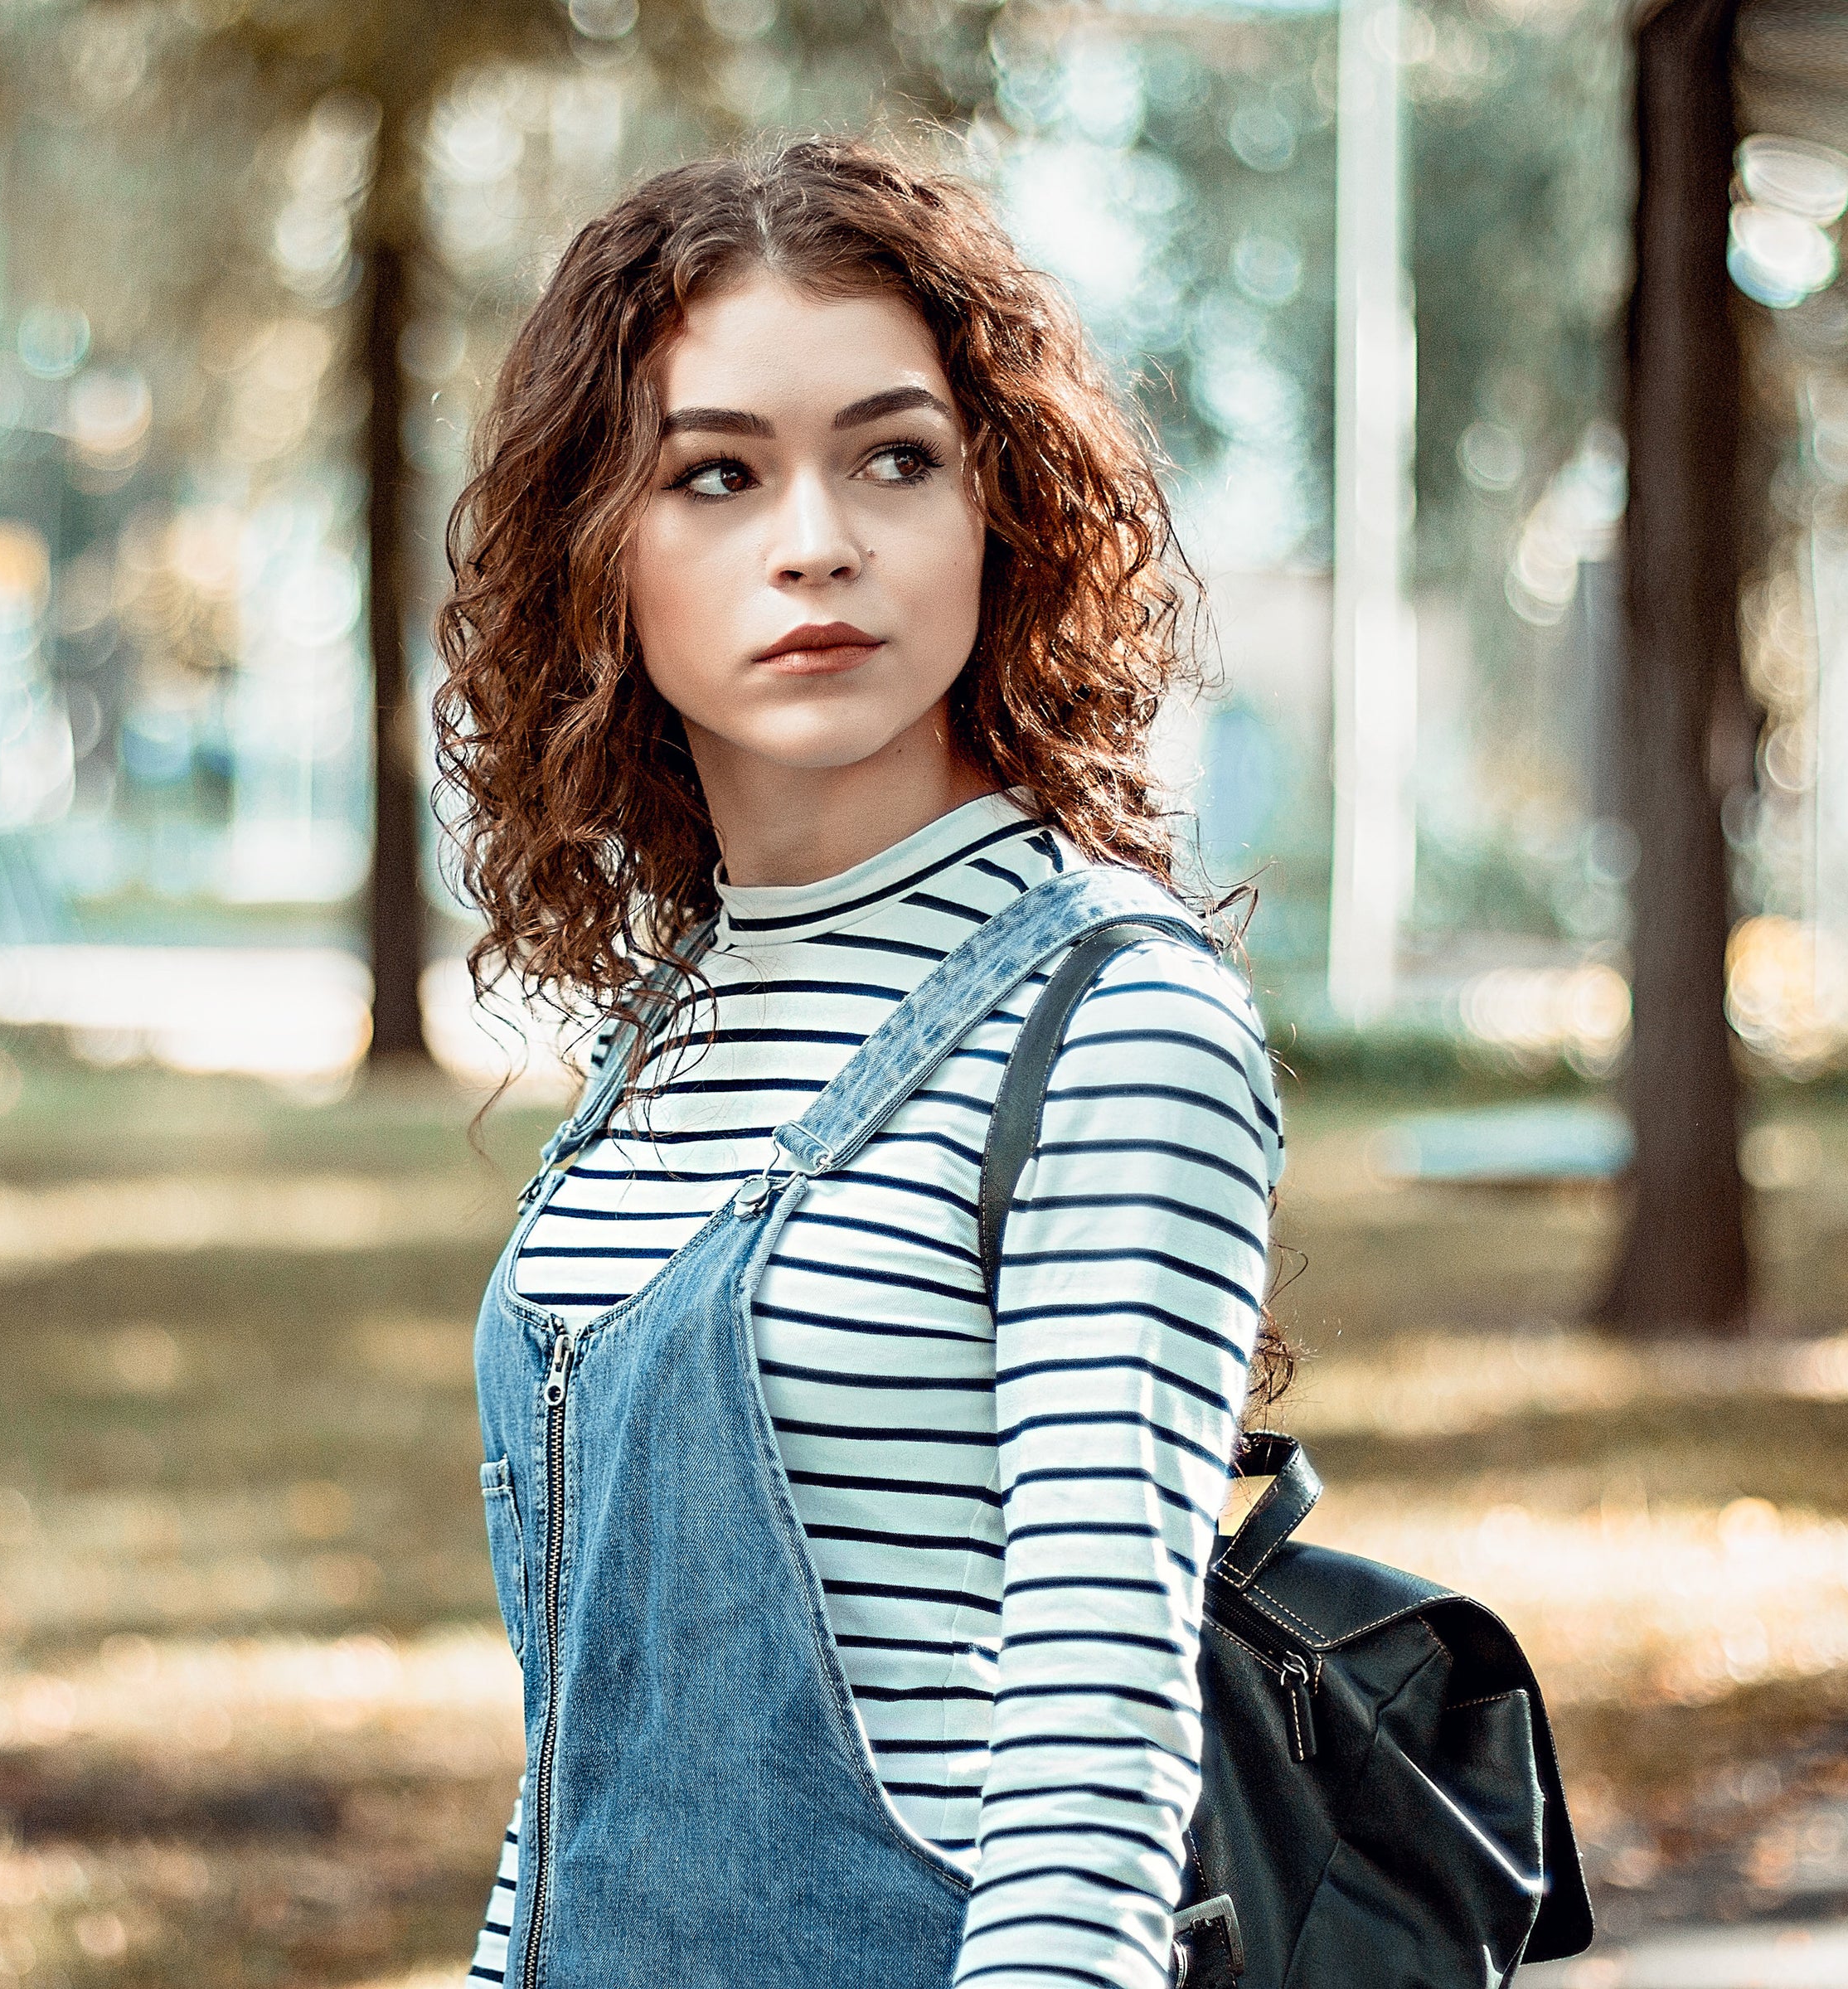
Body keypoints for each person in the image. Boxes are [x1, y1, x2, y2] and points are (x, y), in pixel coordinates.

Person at [430, 133, 1290, 1989]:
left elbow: (1089, 1753)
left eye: (895, 458)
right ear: (606, 551)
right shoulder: (670, 1037)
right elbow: (575, 1764)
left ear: (1004, 513)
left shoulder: (1112, 1026)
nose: (815, 537)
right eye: (717, 475)